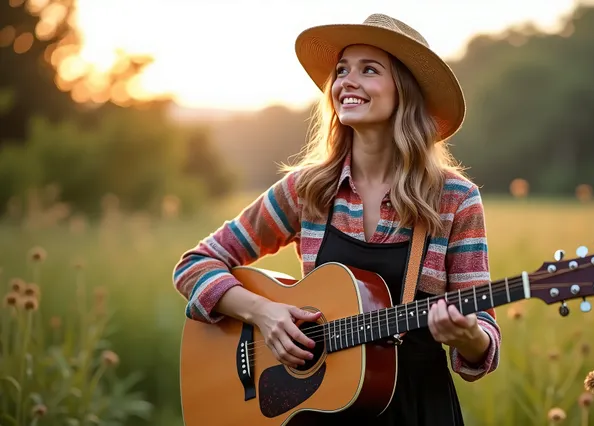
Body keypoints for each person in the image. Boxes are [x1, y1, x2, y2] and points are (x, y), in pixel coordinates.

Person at [173, 13, 501, 426]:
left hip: (417, 410)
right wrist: (263, 313)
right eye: (342, 70)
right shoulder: (306, 190)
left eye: (369, 69)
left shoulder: (454, 198)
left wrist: (469, 337)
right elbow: (194, 265)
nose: (347, 81)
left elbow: (482, 341)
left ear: (406, 90)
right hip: (316, 412)